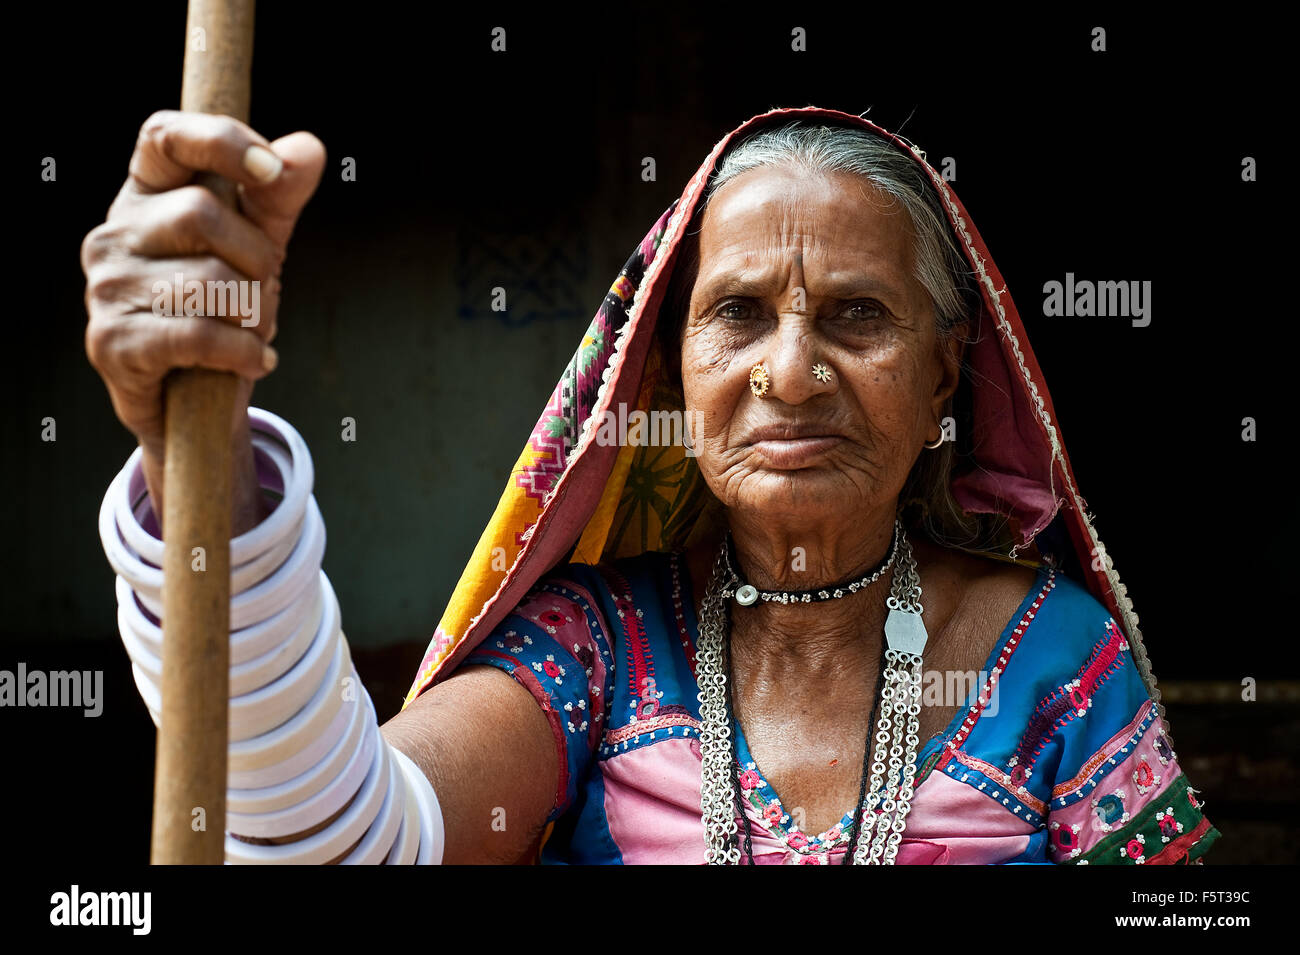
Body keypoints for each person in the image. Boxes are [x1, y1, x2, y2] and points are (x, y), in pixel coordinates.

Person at [84, 105, 1219, 865]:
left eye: (856, 315)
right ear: (671, 369)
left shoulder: (1056, 663)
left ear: (941, 380)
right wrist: (207, 444)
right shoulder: (597, 650)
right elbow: (345, 842)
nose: (789, 371)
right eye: (737, 313)